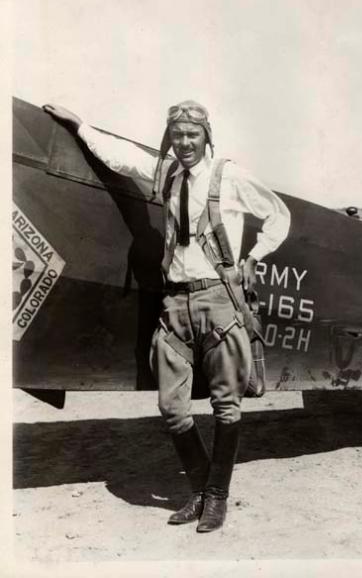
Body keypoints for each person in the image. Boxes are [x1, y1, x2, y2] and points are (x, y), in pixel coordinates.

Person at [43, 100, 290, 532]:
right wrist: (80, 125)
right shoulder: (167, 172)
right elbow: (123, 158)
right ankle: (198, 489)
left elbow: (278, 216)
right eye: (177, 135)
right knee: (171, 408)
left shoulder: (228, 175)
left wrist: (254, 256)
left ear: (207, 135)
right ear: (170, 137)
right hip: (175, 303)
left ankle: (216, 498)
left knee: (226, 407)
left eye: (192, 135)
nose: (185, 143)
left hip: (218, 303)